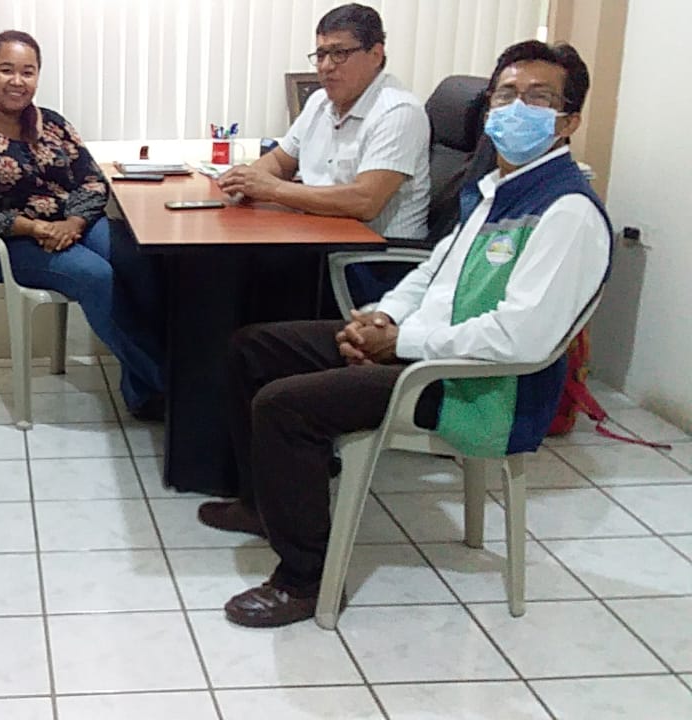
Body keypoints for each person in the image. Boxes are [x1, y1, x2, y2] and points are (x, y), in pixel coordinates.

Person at [217, 40, 610, 628]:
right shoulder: (497, 189)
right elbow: (432, 273)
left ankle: (304, 581)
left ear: (568, 121)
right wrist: (379, 317)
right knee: (252, 348)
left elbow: (518, 339)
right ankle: (264, 505)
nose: (515, 109)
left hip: (477, 386)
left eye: (538, 99)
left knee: (284, 407)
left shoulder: (566, 211)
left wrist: (397, 344)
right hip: (423, 347)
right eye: (505, 95)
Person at [202, 2, 431, 535]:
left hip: (373, 266)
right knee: (230, 296)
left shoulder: (398, 111)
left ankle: (281, 469)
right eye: (321, 54)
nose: (327, 66)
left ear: (377, 53)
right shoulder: (321, 105)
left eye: (340, 53)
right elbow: (280, 161)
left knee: (250, 309)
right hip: (317, 247)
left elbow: (365, 200)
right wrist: (248, 177)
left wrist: (275, 190)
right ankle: (258, 475)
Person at [0, 29, 166, 420]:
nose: (17, 80)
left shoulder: (54, 123)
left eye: (27, 72)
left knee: (141, 259)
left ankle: (143, 390)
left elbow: (92, 180)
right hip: (12, 243)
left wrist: (73, 223)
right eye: (6, 69)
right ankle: (171, 384)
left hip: (74, 226)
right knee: (95, 275)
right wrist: (33, 228)